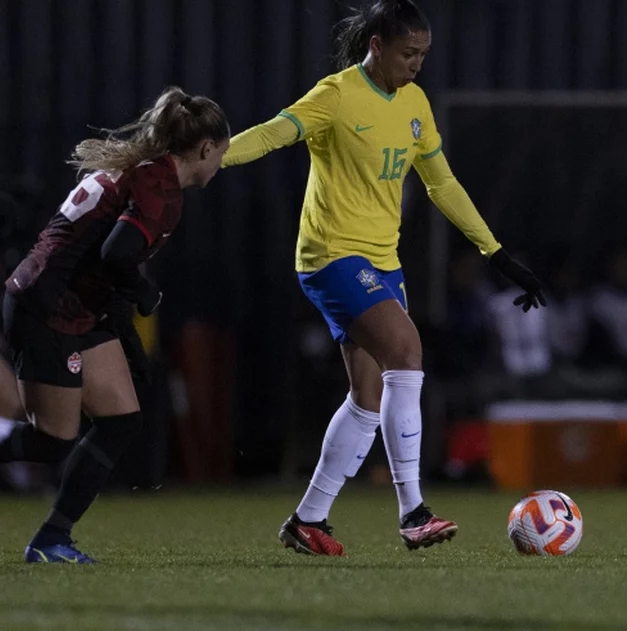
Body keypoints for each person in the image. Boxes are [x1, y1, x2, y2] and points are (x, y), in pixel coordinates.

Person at [223, 0, 545, 556]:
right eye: (408, 53)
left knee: (368, 398)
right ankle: (413, 510)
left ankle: (308, 519)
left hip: (383, 261)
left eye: (423, 54)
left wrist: (496, 254)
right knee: (408, 352)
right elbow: (276, 133)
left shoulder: (416, 103)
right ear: (377, 46)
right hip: (331, 255)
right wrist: (211, 157)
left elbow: (442, 185)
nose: (417, 64)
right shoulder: (337, 94)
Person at [0, 86, 230, 563]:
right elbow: (117, 256)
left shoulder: (144, 171)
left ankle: (52, 539)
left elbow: (107, 269)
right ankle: (49, 539)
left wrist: (127, 340)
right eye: (220, 155)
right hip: (48, 307)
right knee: (52, 440)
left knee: (122, 419)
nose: (220, 166)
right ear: (205, 149)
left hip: (71, 305)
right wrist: (148, 295)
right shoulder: (161, 189)